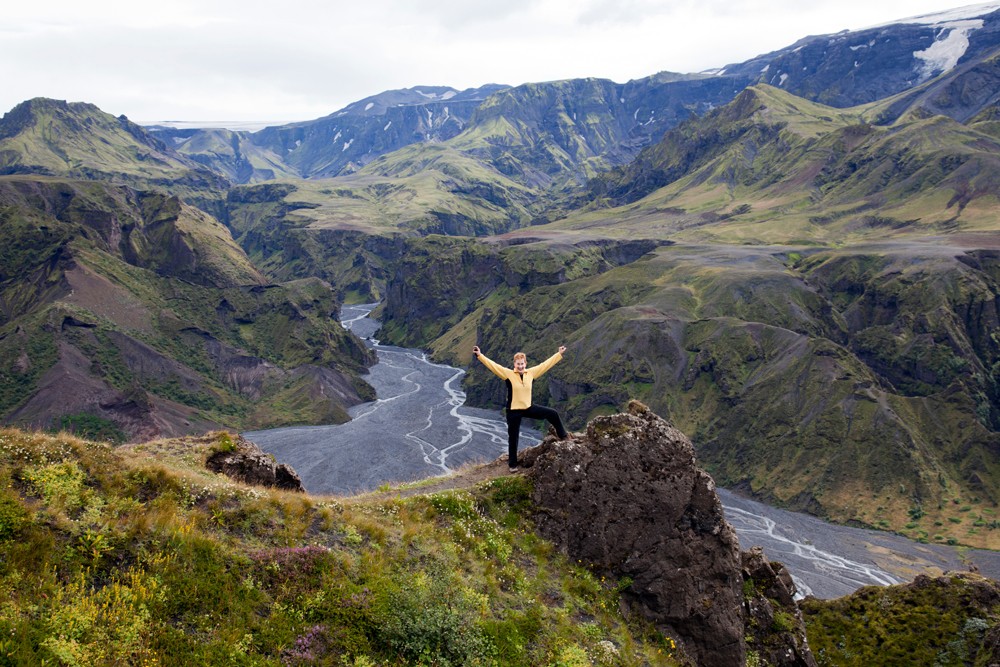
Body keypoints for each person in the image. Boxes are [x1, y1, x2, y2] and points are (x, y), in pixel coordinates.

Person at [472, 344, 569, 471]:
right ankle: (512, 465)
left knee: (552, 413)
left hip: (528, 407)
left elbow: (545, 365)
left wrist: (559, 354)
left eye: (522, 364)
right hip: (513, 411)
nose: (521, 366)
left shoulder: (531, 373)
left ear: (525, 363)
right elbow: (493, 366)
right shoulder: (508, 374)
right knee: (513, 437)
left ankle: (563, 435)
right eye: (518, 364)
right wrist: (480, 355)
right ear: (515, 364)